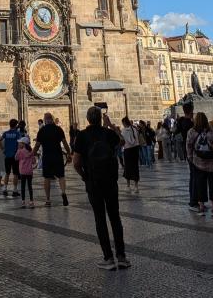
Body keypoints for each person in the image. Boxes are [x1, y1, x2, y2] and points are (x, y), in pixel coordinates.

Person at [73, 106, 130, 270]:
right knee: (115, 217)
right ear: (100, 118)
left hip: (93, 182)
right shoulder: (108, 133)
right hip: (110, 181)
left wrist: (84, 177)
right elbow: (122, 141)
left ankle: (108, 258)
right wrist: (110, 125)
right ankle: (122, 257)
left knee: (100, 218)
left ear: (88, 119)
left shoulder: (82, 136)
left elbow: (76, 163)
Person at [186, 112, 213, 215]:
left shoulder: (191, 132)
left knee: (200, 185)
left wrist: (190, 158)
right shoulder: (212, 131)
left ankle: (201, 207)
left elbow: (188, 146)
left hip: (198, 163)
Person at [33, 112, 71, 207]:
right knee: (61, 176)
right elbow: (65, 143)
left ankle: (48, 199)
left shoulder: (42, 131)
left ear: (45, 120)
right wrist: (69, 153)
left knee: (47, 178)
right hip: (57, 155)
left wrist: (32, 155)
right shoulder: (58, 129)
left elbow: (37, 145)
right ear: (52, 119)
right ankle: (63, 192)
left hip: (47, 156)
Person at [174, 102, 197, 208]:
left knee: (193, 175)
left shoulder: (181, 121)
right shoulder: (191, 124)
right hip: (194, 151)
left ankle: (193, 199)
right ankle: (194, 201)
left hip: (187, 150)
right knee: (195, 176)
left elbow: (175, 131)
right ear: (191, 110)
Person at [0, 119, 21, 198]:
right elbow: (19, 143)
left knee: (7, 173)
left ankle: (5, 189)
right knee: (15, 174)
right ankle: (15, 190)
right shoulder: (17, 133)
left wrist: (3, 150)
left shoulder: (5, 133)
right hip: (14, 155)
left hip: (7, 155)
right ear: (15, 125)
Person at [15, 136, 36, 208]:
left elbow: (16, 158)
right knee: (30, 186)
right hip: (29, 171)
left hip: (22, 172)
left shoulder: (20, 151)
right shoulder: (31, 151)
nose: (18, 144)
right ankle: (31, 201)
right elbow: (34, 161)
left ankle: (23, 202)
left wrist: (18, 150)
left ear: (23, 144)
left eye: (20, 143)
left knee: (23, 187)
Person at [120, 117, 140, 192]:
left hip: (128, 150)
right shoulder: (134, 129)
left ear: (124, 123)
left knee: (127, 168)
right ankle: (136, 186)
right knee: (135, 167)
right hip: (135, 150)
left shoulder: (124, 131)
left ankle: (128, 186)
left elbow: (123, 141)